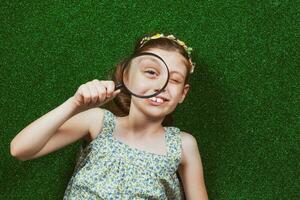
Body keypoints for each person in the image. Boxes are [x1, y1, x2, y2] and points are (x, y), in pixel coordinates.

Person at [10, 33, 208, 199]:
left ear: (183, 93)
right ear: (127, 77)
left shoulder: (183, 144)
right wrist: (74, 104)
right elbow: (20, 149)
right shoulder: (97, 121)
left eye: (174, 80)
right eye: (151, 72)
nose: (161, 86)